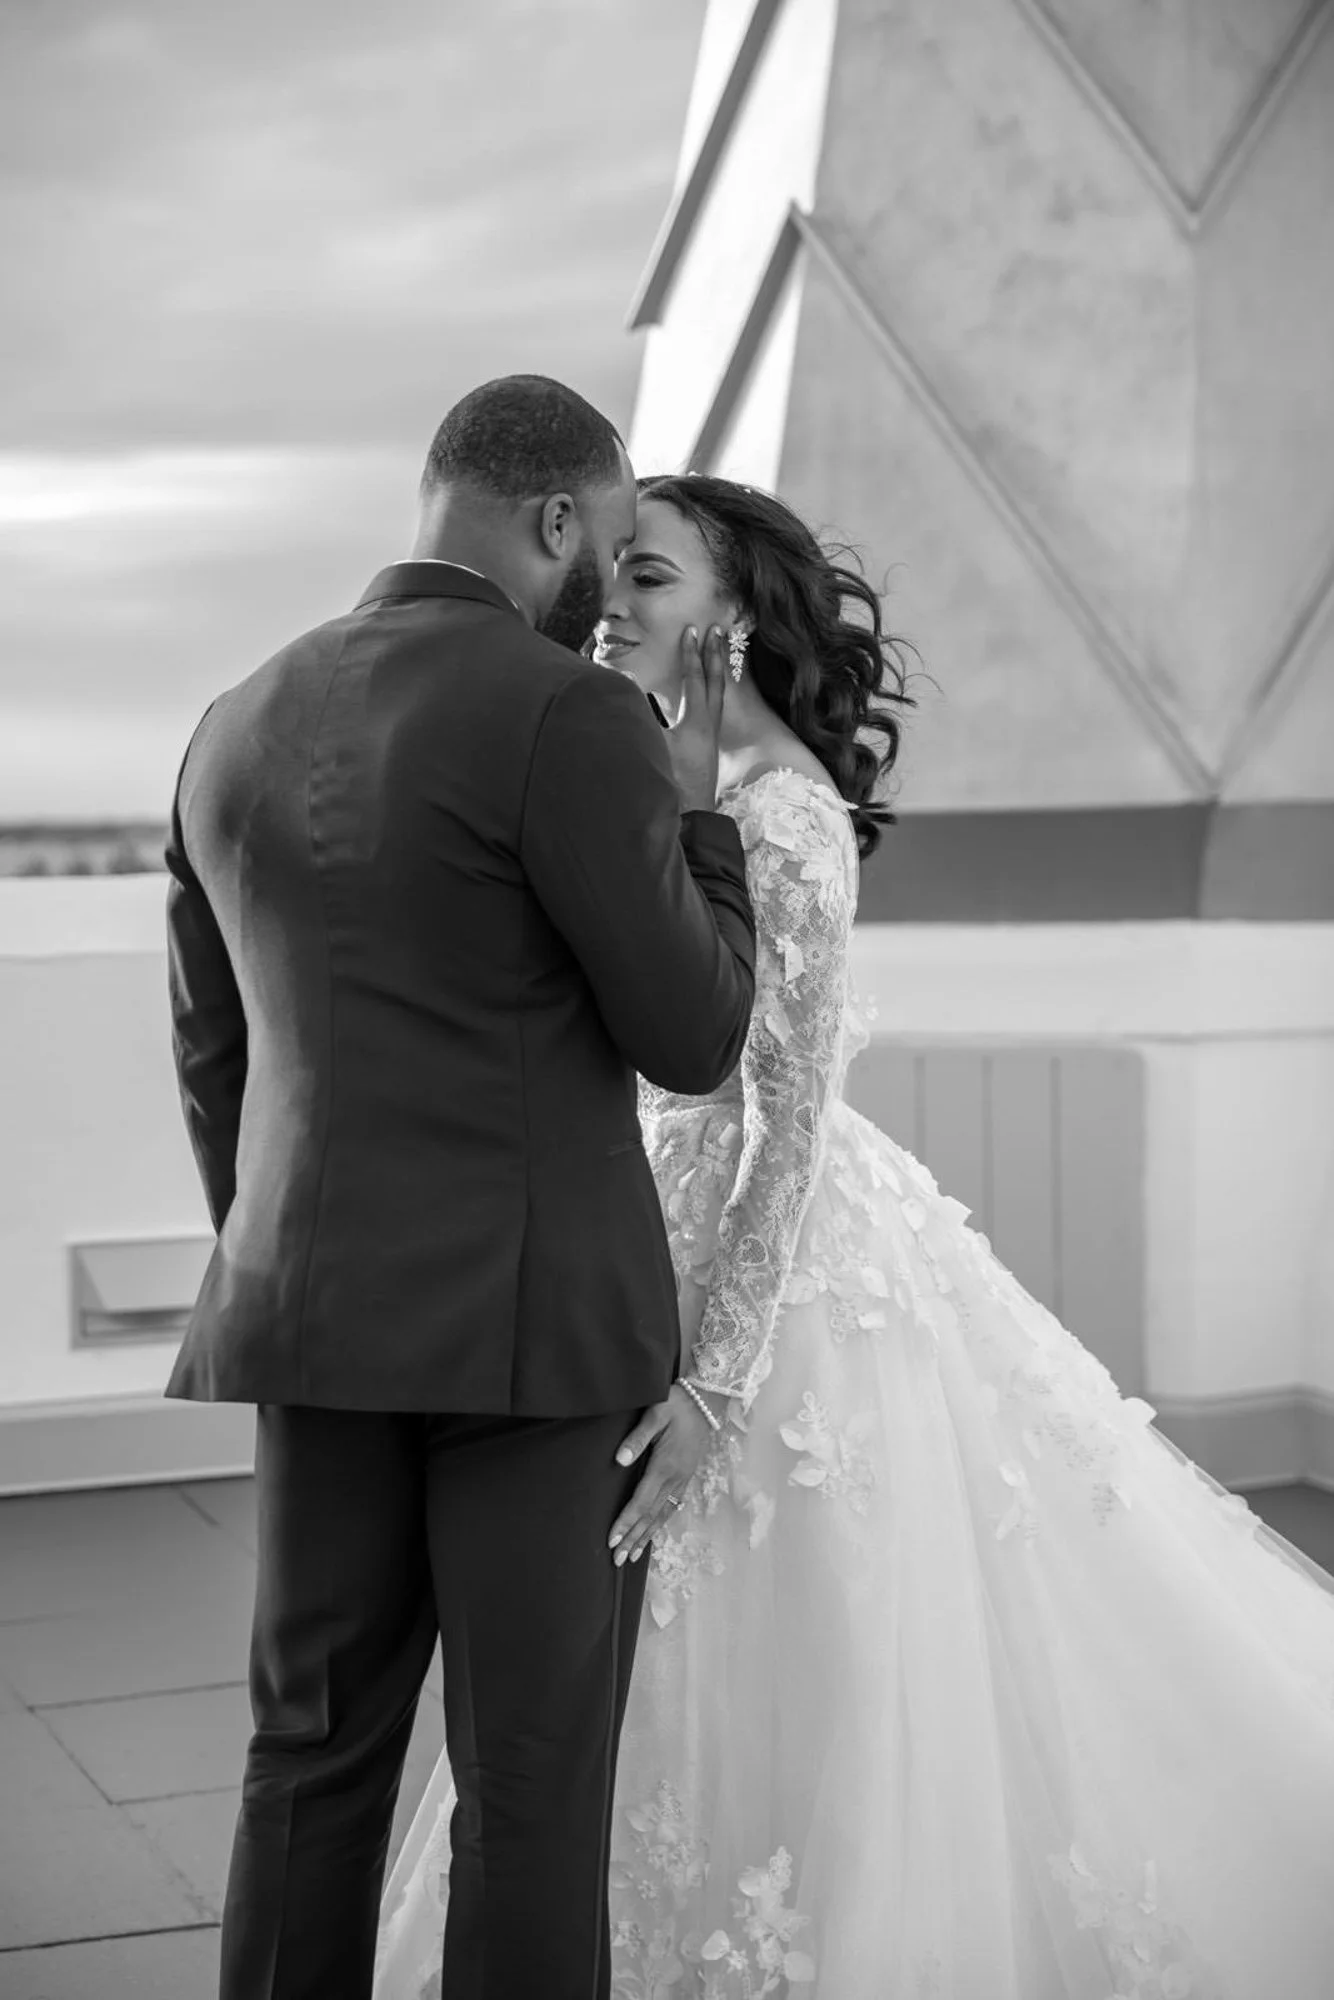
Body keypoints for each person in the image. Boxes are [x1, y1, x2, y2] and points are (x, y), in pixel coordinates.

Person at [375, 473, 1334, 2000]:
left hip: (781, 1283)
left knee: (806, 1650)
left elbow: (789, 1116)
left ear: (735, 618)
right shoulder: (673, 781)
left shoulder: (789, 813)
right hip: (642, 1231)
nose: (611, 603)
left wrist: (718, 1378)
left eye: (650, 577)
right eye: (613, 573)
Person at [162, 382, 758, 2000]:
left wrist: (290, 1256)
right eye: (611, 543)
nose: (609, 584)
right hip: (537, 1348)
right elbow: (694, 1038)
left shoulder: (232, 720)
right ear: (556, 519)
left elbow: (216, 1062)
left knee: (306, 1757)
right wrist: (698, 813)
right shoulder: (575, 718)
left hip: (311, 1318)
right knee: (527, 1789)